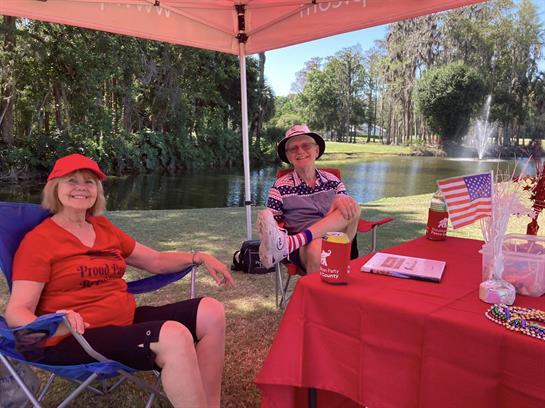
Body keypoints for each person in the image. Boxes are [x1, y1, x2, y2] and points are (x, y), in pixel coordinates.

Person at [5, 153, 235, 408]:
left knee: (211, 311)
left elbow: (155, 260)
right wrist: (56, 322)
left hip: (123, 321)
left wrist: (199, 256)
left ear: (98, 190)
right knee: (174, 335)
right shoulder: (39, 242)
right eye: (72, 180)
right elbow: (17, 311)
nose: (81, 187)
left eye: (89, 181)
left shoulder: (103, 228)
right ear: (55, 187)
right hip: (76, 337)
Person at [257, 124, 361, 273]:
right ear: (288, 156)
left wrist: (341, 198)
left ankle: (294, 241)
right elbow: (274, 227)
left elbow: (348, 214)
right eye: (293, 148)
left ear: (316, 150)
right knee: (317, 246)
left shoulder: (333, 180)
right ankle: (317, 294)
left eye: (306, 145)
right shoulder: (279, 187)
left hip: (340, 240)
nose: (300, 151)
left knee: (353, 206)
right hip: (304, 249)